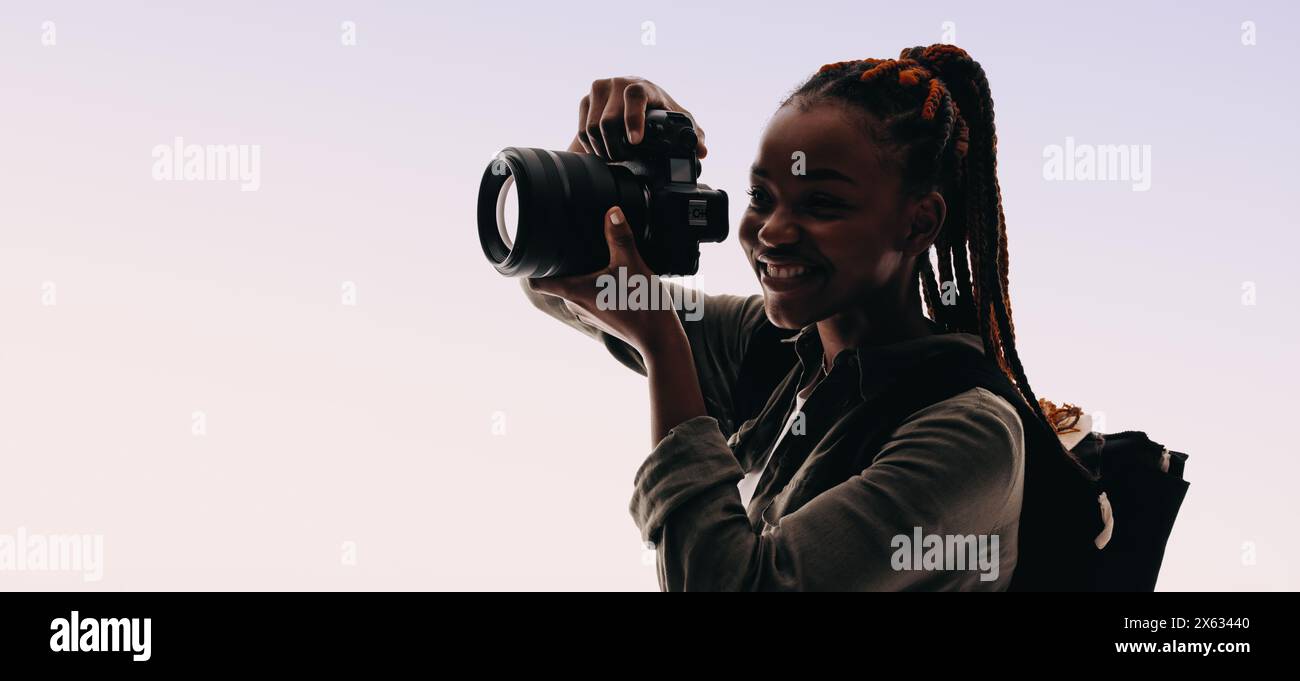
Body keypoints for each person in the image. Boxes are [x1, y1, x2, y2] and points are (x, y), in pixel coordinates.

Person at [521, 45, 1088, 591]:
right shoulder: (770, 347)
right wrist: (604, 159)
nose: (772, 232)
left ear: (918, 225)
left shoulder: (970, 434)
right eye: (762, 196)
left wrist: (662, 344)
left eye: (821, 204)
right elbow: (553, 282)